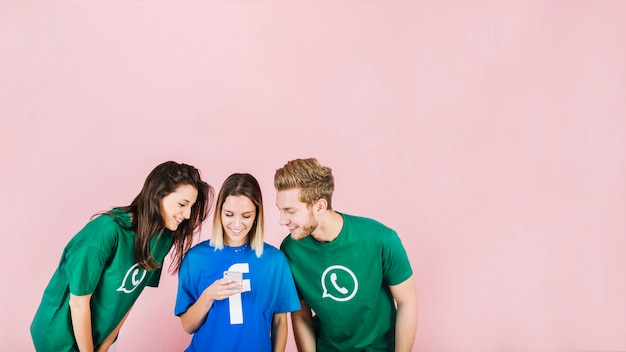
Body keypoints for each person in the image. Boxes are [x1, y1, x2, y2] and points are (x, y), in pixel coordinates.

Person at [30, 161, 214, 352]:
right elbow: (78, 302)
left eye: (191, 206)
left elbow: (131, 296)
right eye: (182, 204)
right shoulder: (106, 231)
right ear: (158, 194)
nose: (187, 214)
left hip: (102, 335)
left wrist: (106, 344)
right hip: (59, 336)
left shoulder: (162, 240)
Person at [275, 158, 418, 352]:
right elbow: (301, 314)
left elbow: (406, 302)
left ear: (319, 206)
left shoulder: (382, 239)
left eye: (290, 211)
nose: (282, 220)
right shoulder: (291, 249)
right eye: (281, 210)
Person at [175, 173, 300, 352]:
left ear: (257, 215)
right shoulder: (196, 258)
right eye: (229, 214)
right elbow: (188, 326)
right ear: (219, 212)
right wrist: (208, 295)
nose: (237, 223)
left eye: (246, 216)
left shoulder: (274, 261)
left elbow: (280, 321)